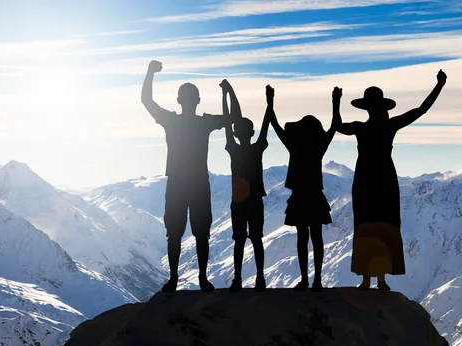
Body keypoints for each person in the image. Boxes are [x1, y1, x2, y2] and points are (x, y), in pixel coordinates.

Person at [337, 69, 447, 290]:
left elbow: (338, 126)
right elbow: (421, 110)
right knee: (383, 226)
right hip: (384, 178)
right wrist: (439, 85)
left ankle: (368, 279)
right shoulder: (389, 125)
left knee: (366, 227)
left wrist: (335, 103)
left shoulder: (361, 127)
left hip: (365, 179)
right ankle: (379, 279)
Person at [141, 60, 231, 292]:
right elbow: (232, 117)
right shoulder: (205, 122)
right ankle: (201, 279)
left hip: (178, 183)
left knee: (175, 234)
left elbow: (146, 101)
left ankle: (174, 280)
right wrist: (227, 93)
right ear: (197, 101)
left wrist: (150, 73)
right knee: (201, 234)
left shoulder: (172, 120)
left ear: (179, 100)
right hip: (198, 183)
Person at [268, 85, 342, 292]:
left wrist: (270, 102)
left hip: (300, 197)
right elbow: (335, 125)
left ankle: (305, 280)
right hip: (315, 197)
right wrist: (336, 101)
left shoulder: (294, 146)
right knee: (316, 238)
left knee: (303, 239)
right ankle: (316, 280)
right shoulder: (319, 146)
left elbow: (274, 124)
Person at [221, 80, 270, 292]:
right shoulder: (257, 148)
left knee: (239, 241)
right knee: (256, 240)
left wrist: (226, 95)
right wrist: (270, 103)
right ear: (251, 133)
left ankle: (238, 280)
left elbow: (226, 120)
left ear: (235, 133)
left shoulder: (232, 147)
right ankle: (260, 279)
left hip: (238, 202)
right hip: (255, 201)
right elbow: (266, 124)